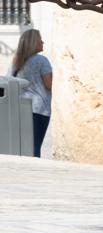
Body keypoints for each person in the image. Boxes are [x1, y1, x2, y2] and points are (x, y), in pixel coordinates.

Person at [8, 29, 53, 158]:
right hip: (38, 109)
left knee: (21, 146)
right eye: (40, 40)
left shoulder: (16, 61)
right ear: (34, 43)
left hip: (19, 107)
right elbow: (49, 84)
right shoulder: (42, 60)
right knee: (34, 146)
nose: (43, 42)